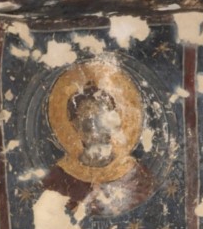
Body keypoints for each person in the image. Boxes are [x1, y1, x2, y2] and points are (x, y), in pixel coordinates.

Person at [42, 80, 154, 218]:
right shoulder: (59, 177)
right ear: (76, 126)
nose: (95, 130)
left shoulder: (137, 176)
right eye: (88, 122)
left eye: (102, 120)